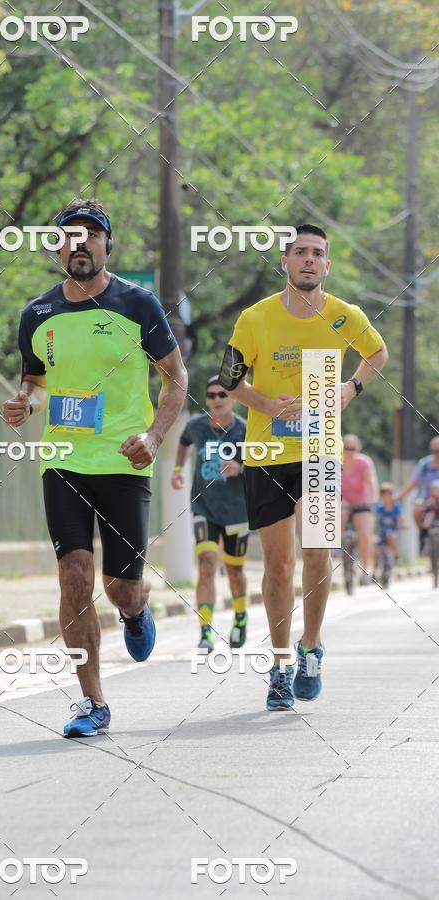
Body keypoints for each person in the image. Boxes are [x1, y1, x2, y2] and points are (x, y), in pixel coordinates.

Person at [3, 199, 187, 737]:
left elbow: (175, 379)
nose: (78, 245)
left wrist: (154, 436)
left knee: (118, 585)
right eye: (67, 237)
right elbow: (36, 385)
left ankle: (136, 608)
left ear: (107, 244)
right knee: (74, 575)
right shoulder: (37, 314)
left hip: (124, 462)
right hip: (63, 461)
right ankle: (93, 703)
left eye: (89, 236)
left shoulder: (138, 304)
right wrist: (25, 405)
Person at [217, 223, 388, 710]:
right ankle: (277, 666)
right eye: (300, 253)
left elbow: (377, 353)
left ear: (327, 265)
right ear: (285, 262)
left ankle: (311, 648)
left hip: (319, 451)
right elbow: (229, 378)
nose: (309, 260)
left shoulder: (343, 314)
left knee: (317, 551)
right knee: (278, 563)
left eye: (317, 253)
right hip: (267, 453)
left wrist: (346, 390)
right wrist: (267, 405)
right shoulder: (256, 318)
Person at [171, 376, 249, 653]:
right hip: (204, 506)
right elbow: (183, 441)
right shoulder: (197, 426)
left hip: (238, 511)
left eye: (222, 395)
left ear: (234, 399)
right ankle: (205, 631)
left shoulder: (246, 431)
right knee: (205, 563)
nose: (217, 399)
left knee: (234, 569)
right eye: (212, 395)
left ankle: (240, 617)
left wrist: (240, 468)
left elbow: (262, 464)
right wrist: (178, 470)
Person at [341, 434, 379, 584]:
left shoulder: (364, 462)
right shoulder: (337, 460)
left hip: (362, 501)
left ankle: (365, 569)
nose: (349, 451)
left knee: (364, 533)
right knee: (340, 513)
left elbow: (372, 481)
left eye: (353, 448)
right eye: (347, 447)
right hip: (343, 500)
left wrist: (373, 500)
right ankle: (338, 546)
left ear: (358, 449)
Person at [395, 436, 439, 553]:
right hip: (428, 499)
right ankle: (423, 534)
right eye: (434, 451)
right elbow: (413, 483)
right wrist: (399, 497)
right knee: (417, 508)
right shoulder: (425, 464)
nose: (437, 454)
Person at [372, 482, 404, 575]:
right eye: (384, 495)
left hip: (393, 530)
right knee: (377, 551)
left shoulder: (396, 507)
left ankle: (396, 556)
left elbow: (402, 517)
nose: (387, 498)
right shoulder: (379, 507)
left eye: (389, 495)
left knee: (391, 537)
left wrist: (404, 524)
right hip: (382, 532)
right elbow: (373, 514)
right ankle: (374, 571)